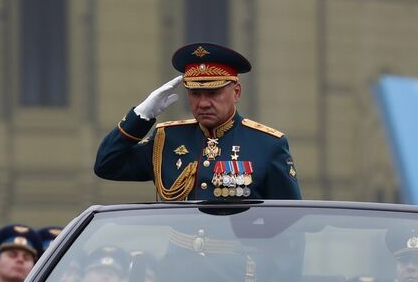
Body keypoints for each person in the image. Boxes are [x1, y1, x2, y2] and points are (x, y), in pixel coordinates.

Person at [95, 43, 301, 201]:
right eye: (195, 94)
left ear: (236, 92)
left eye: (213, 93)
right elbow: (107, 165)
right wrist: (141, 116)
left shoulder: (267, 145)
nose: (203, 103)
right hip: (180, 257)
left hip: (238, 256)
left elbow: (289, 222)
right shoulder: (167, 139)